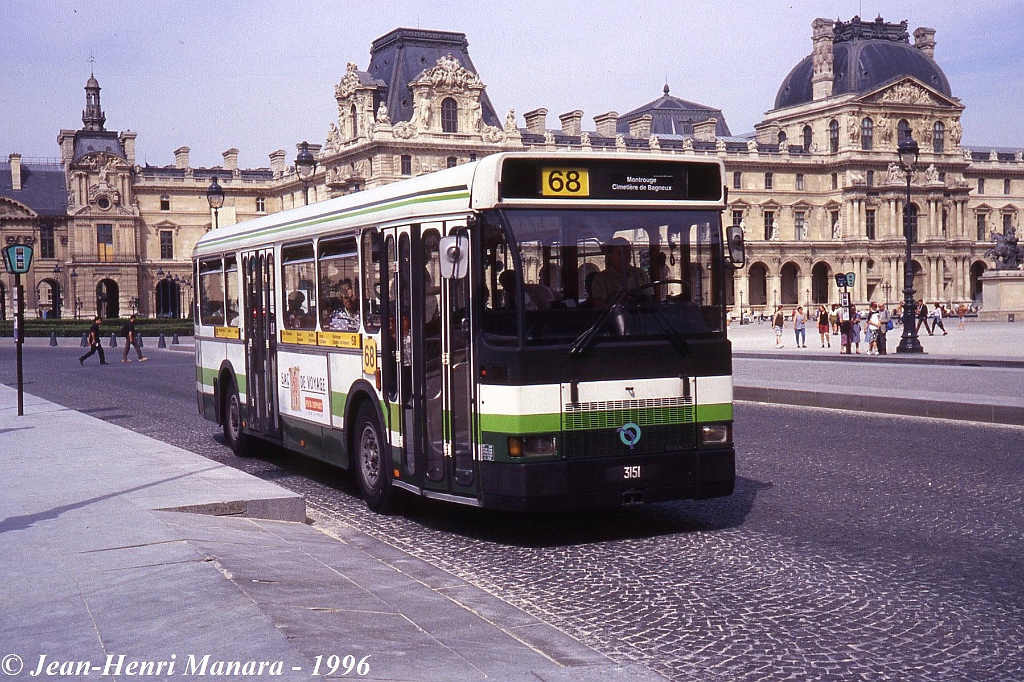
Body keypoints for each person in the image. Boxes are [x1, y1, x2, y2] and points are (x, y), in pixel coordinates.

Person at [590, 237, 649, 307]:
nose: (625, 256)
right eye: (620, 253)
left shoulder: (640, 274)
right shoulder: (601, 279)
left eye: (628, 252)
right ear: (610, 256)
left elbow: (650, 299)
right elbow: (599, 307)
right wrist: (617, 302)